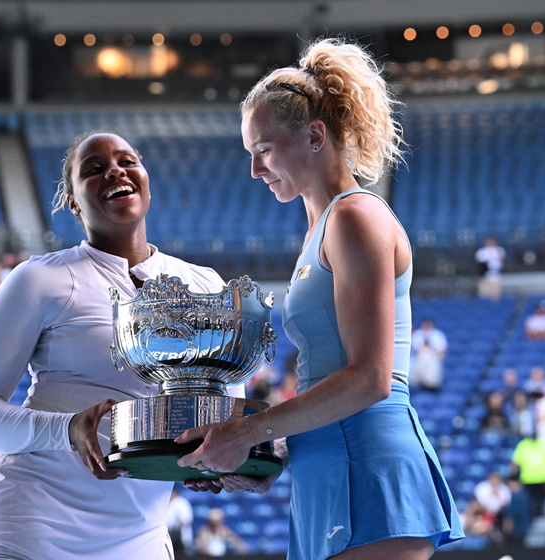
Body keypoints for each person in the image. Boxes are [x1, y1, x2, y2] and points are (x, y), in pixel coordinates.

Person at [175, 37, 463, 559]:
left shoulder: (356, 218)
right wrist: (272, 450)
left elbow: (369, 379)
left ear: (314, 136)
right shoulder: (321, 226)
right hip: (327, 461)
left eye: (263, 150)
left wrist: (248, 430)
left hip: (368, 461)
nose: (255, 170)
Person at [0, 131, 249, 559]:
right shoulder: (39, 279)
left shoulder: (208, 285)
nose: (114, 170)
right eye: (93, 168)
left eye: (128, 160)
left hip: (139, 542)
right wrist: (68, 430)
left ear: (145, 178)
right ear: (73, 201)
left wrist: (232, 457)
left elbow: (227, 415)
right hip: (24, 532)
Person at [410, 318, 448, 391]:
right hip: (419, 359)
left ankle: (431, 384)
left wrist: (431, 346)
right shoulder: (418, 334)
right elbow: (415, 350)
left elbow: (443, 350)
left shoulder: (438, 334)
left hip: (434, 358)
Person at [166, 486, 194, 557]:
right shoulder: (166, 503)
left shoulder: (181, 502)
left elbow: (186, 520)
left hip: (181, 539)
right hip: (169, 537)